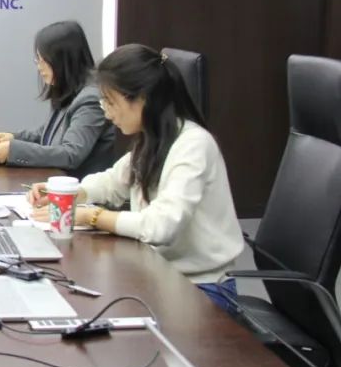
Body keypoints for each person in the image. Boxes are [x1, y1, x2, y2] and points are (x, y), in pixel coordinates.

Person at [27, 44, 244, 311]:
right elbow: (113, 182)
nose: (107, 112)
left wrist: (91, 216)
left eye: (111, 102)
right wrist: (68, 193)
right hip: (159, 272)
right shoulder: (154, 138)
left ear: (142, 99)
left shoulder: (193, 145)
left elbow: (160, 226)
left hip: (203, 287)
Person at [0, 21, 116, 177]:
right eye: (37, 60)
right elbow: (48, 135)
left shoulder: (90, 99)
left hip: (79, 189)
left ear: (63, 59)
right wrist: (15, 138)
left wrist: (13, 151)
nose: (39, 67)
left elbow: (71, 154)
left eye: (43, 60)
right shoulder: (70, 88)